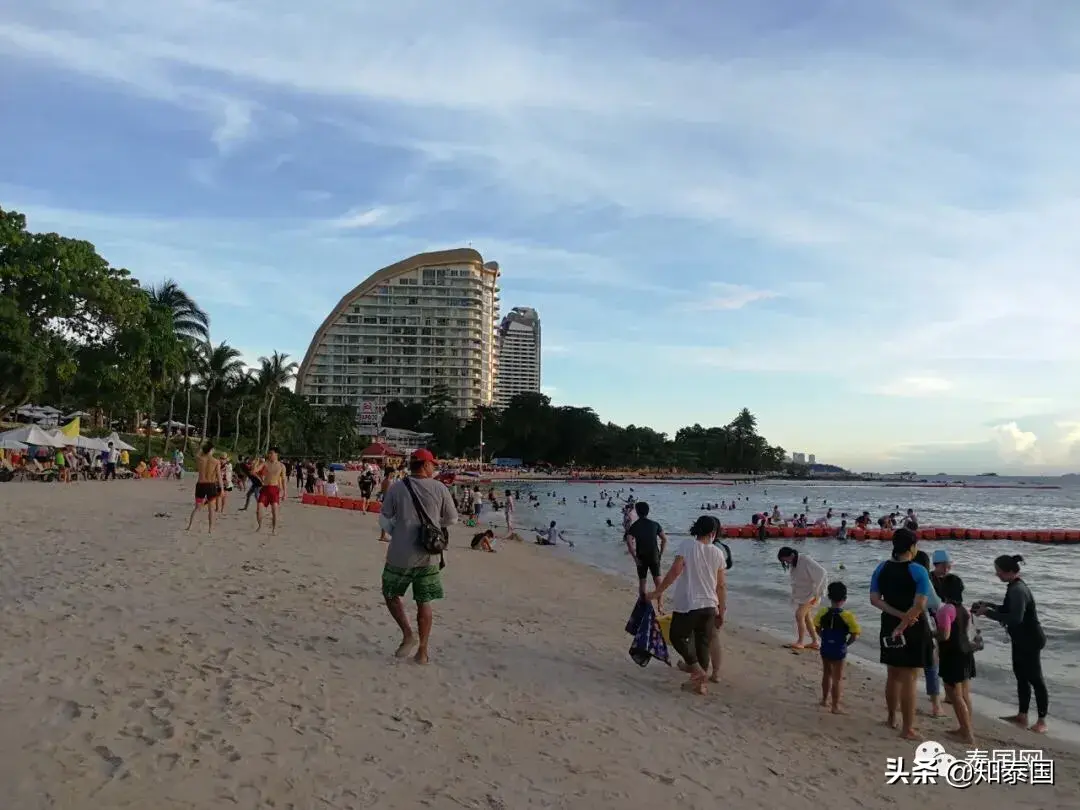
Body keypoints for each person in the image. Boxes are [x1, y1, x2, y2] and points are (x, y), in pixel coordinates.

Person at [380, 449, 458, 664]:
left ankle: (407, 633)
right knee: (424, 601)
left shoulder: (397, 487)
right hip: (428, 554)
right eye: (432, 464)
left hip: (399, 554)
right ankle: (422, 651)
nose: (434, 468)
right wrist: (432, 526)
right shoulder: (440, 488)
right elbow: (452, 519)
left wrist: (400, 531)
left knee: (390, 592)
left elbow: (384, 518)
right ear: (425, 465)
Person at [646, 515, 727, 695]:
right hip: (709, 604)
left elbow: (675, 571)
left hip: (690, 603)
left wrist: (656, 593)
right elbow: (721, 585)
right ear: (713, 533)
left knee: (677, 636)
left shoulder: (687, 545)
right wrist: (722, 610)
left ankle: (697, 671)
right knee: (703, 643)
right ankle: (700, 685)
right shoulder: (718, 553)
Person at [973, 554, 1048, 734]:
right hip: (1020, 639)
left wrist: (987, 613)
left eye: (998, 571)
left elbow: (1015, 618)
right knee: (1021, 676)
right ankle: (1022, 714)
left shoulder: (1018, 590)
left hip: (1031, 640)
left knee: (1035, 679)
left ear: (1008, 572)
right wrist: (989, 605)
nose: (997, 574)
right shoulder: (1013, 587)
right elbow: (1008, 610)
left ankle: (1042, 721)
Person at [869, 528, 933, 740]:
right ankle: (908, 728)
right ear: (913, 547)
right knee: (910, 678)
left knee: (893, 674)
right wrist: (905, 620)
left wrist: (897, 618)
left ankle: (890, 719)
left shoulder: (881, 567)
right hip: (913, 628)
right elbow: (920, 604)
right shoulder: (918, 570)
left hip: (888, 625)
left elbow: (875, 599)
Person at [935, 573, 977, 743]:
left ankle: (967, 733)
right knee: (965, 693)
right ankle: (966, 727)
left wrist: (930, 633)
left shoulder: (946, 609)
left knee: (954, 694)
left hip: (952, 655)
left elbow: (944, 635)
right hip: (966, 652)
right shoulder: (965, 610)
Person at [815, 581, 861, 714]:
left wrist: (823, 636)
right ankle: (835, 706)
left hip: (825, 647)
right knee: (837, 677)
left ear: (829, 597)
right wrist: (847, 644)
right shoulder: (847, 616)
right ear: (844, 599)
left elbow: (816, 626)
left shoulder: (823, 612)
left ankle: (824, 700)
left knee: (826, 673)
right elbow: (855, 633)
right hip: (839, 649)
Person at [777, 547, 828, 650]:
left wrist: (818, 592)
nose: (786, 562)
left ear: (791, 555)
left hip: (812, 595)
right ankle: (815, 642)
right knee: (806, 617)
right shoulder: (794, 563)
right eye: (783, 561)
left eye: (786, 559)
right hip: (803, 595)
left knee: (799, 615)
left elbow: (822, 572)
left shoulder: (805, 559)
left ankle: (800, 642)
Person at [913, 550, 944, 718]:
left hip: (901, 621)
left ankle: (902, 701)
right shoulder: (923, 578)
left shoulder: (903, 575)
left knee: (907, 666)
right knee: (931, 665)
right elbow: (935, 603)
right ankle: (936, 705)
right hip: (922, 623)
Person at [624, 501, 669, 611]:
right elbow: (664, 539)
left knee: (642, 582)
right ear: (648, 511)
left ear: (637, 512)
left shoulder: (634, 526)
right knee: (658, 581)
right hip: (654, 555)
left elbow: (629, 542)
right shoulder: (655, 524)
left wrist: (635, 558)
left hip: (641, 557)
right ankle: (660, 606)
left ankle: (643, 605)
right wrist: (661, 553)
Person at [186, 442, 221, 534]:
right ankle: (210, 529)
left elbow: (197, 454)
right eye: (213, 450)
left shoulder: (200, 459)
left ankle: (190, 526)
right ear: (211, 450)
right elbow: (219, 476)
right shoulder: (216, 461)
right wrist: (222, 488)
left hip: (200, 485)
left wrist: (203, 449)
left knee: (197, 507)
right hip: (211, 485)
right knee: (211, 509)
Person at [256, 448, 286, 535]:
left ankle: (274, 529)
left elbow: (284, 480)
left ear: (276, 454)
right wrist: (257, 462)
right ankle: (260, 525)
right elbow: (255, 471)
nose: (269, 455)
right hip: (265, 488)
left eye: (271, 453)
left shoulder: (281, 466)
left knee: (274, 511)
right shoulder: (265, 463)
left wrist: (285, 493)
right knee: (259, 508)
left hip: (274, 489)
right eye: (269, 453)